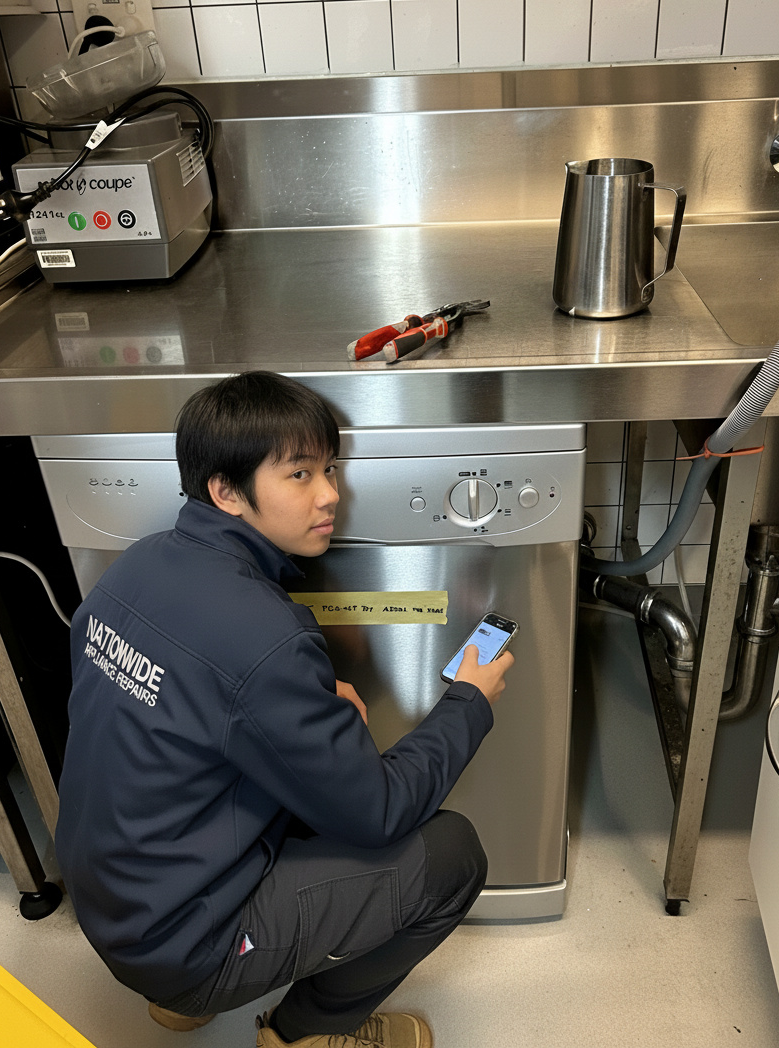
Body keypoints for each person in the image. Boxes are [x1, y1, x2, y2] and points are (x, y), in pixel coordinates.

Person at [54, 371, 515, 1048]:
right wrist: (469, 704)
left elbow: (167, 717)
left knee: (310, 766)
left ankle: (177, 1004)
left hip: (108, 901)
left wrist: (292, 705)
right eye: (300, 475)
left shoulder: (134, 567)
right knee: (452, 857)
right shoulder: (269, 639)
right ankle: (302, 1034)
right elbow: (377, 812)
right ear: (225, 490)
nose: (332, 495)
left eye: (329, 468)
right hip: (186, 942)